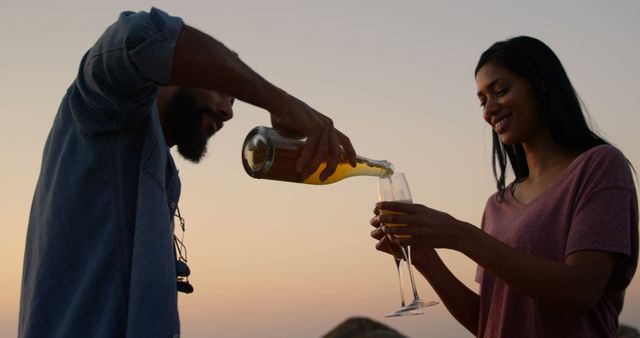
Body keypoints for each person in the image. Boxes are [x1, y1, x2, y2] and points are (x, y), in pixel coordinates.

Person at [19, 7, 356, 338]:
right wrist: (280, 103)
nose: (227, 112)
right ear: (175, 73)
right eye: (223, 92)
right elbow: (141, 37)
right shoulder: (103, 107)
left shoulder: (151, 165)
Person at [371, 36, 638, 337]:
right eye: (483, 100)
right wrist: (424, 258)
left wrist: (460, 234)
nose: (489, 110)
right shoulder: (497, 205)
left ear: (542, 84)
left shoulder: (598, 166)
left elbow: (580, 292)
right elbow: (488, 321)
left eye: (501, 90)